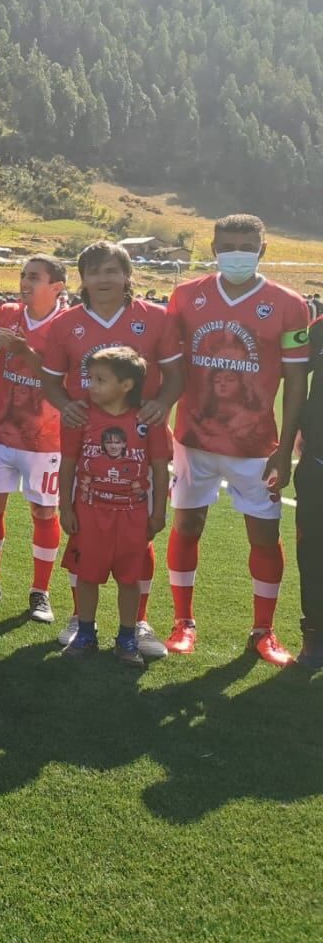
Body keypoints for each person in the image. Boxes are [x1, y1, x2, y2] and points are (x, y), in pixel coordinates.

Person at [162, 214, 311, 666]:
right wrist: (163, 428)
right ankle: (183, 622)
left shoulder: (289, 304)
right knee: (187, 526)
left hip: (256, 448)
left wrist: (285, 450)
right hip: (193, 438)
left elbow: (296, 382)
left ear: (263, 249)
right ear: (213, 248)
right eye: (228, 245)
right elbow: (166, 366)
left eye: (247, 245)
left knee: (264, 536)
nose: (238, 253)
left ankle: (264, 631)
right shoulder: (186, 296)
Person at [38, 240, 183, 656]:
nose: (104, 279)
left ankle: (136, 622)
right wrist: (67, 407)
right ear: (82, 279)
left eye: (112, 271)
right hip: (88, 445)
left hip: (142, 442)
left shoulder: (156, 318)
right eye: (95, 271)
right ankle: (80, 620)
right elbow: (50, 379)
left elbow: (176, 374)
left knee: (141, 536)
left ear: (127, 275)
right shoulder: (66, 324)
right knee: (83, 531)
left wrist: (161, 405)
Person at [0, 255, 67, 622]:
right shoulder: (6, 313)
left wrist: (24, 351)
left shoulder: (68, 325)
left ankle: (40, 592)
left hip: (46, 438)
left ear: (56, 287)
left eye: (33, 277)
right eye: (22, 275)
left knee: (43, 511)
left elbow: (62, 381)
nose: (24, 282)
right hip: (0, 433)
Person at [57, 347, 170, 665]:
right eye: (90, 378)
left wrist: (158, 512)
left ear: (126, 385)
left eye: (100, 379)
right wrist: (65, 507)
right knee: (87, 576)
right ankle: (85, 633)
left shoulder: (149, 421)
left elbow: (161, 469)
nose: (90, 385)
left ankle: (127, 637)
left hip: (132, 515)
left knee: (129, 579)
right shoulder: (80, 417)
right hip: (90, 513)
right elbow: (67, 465)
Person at [294, 310, 323, 669]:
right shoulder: (317, 330)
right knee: (314, 552)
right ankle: (315, 630)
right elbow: (294, 375)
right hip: (318, 464)